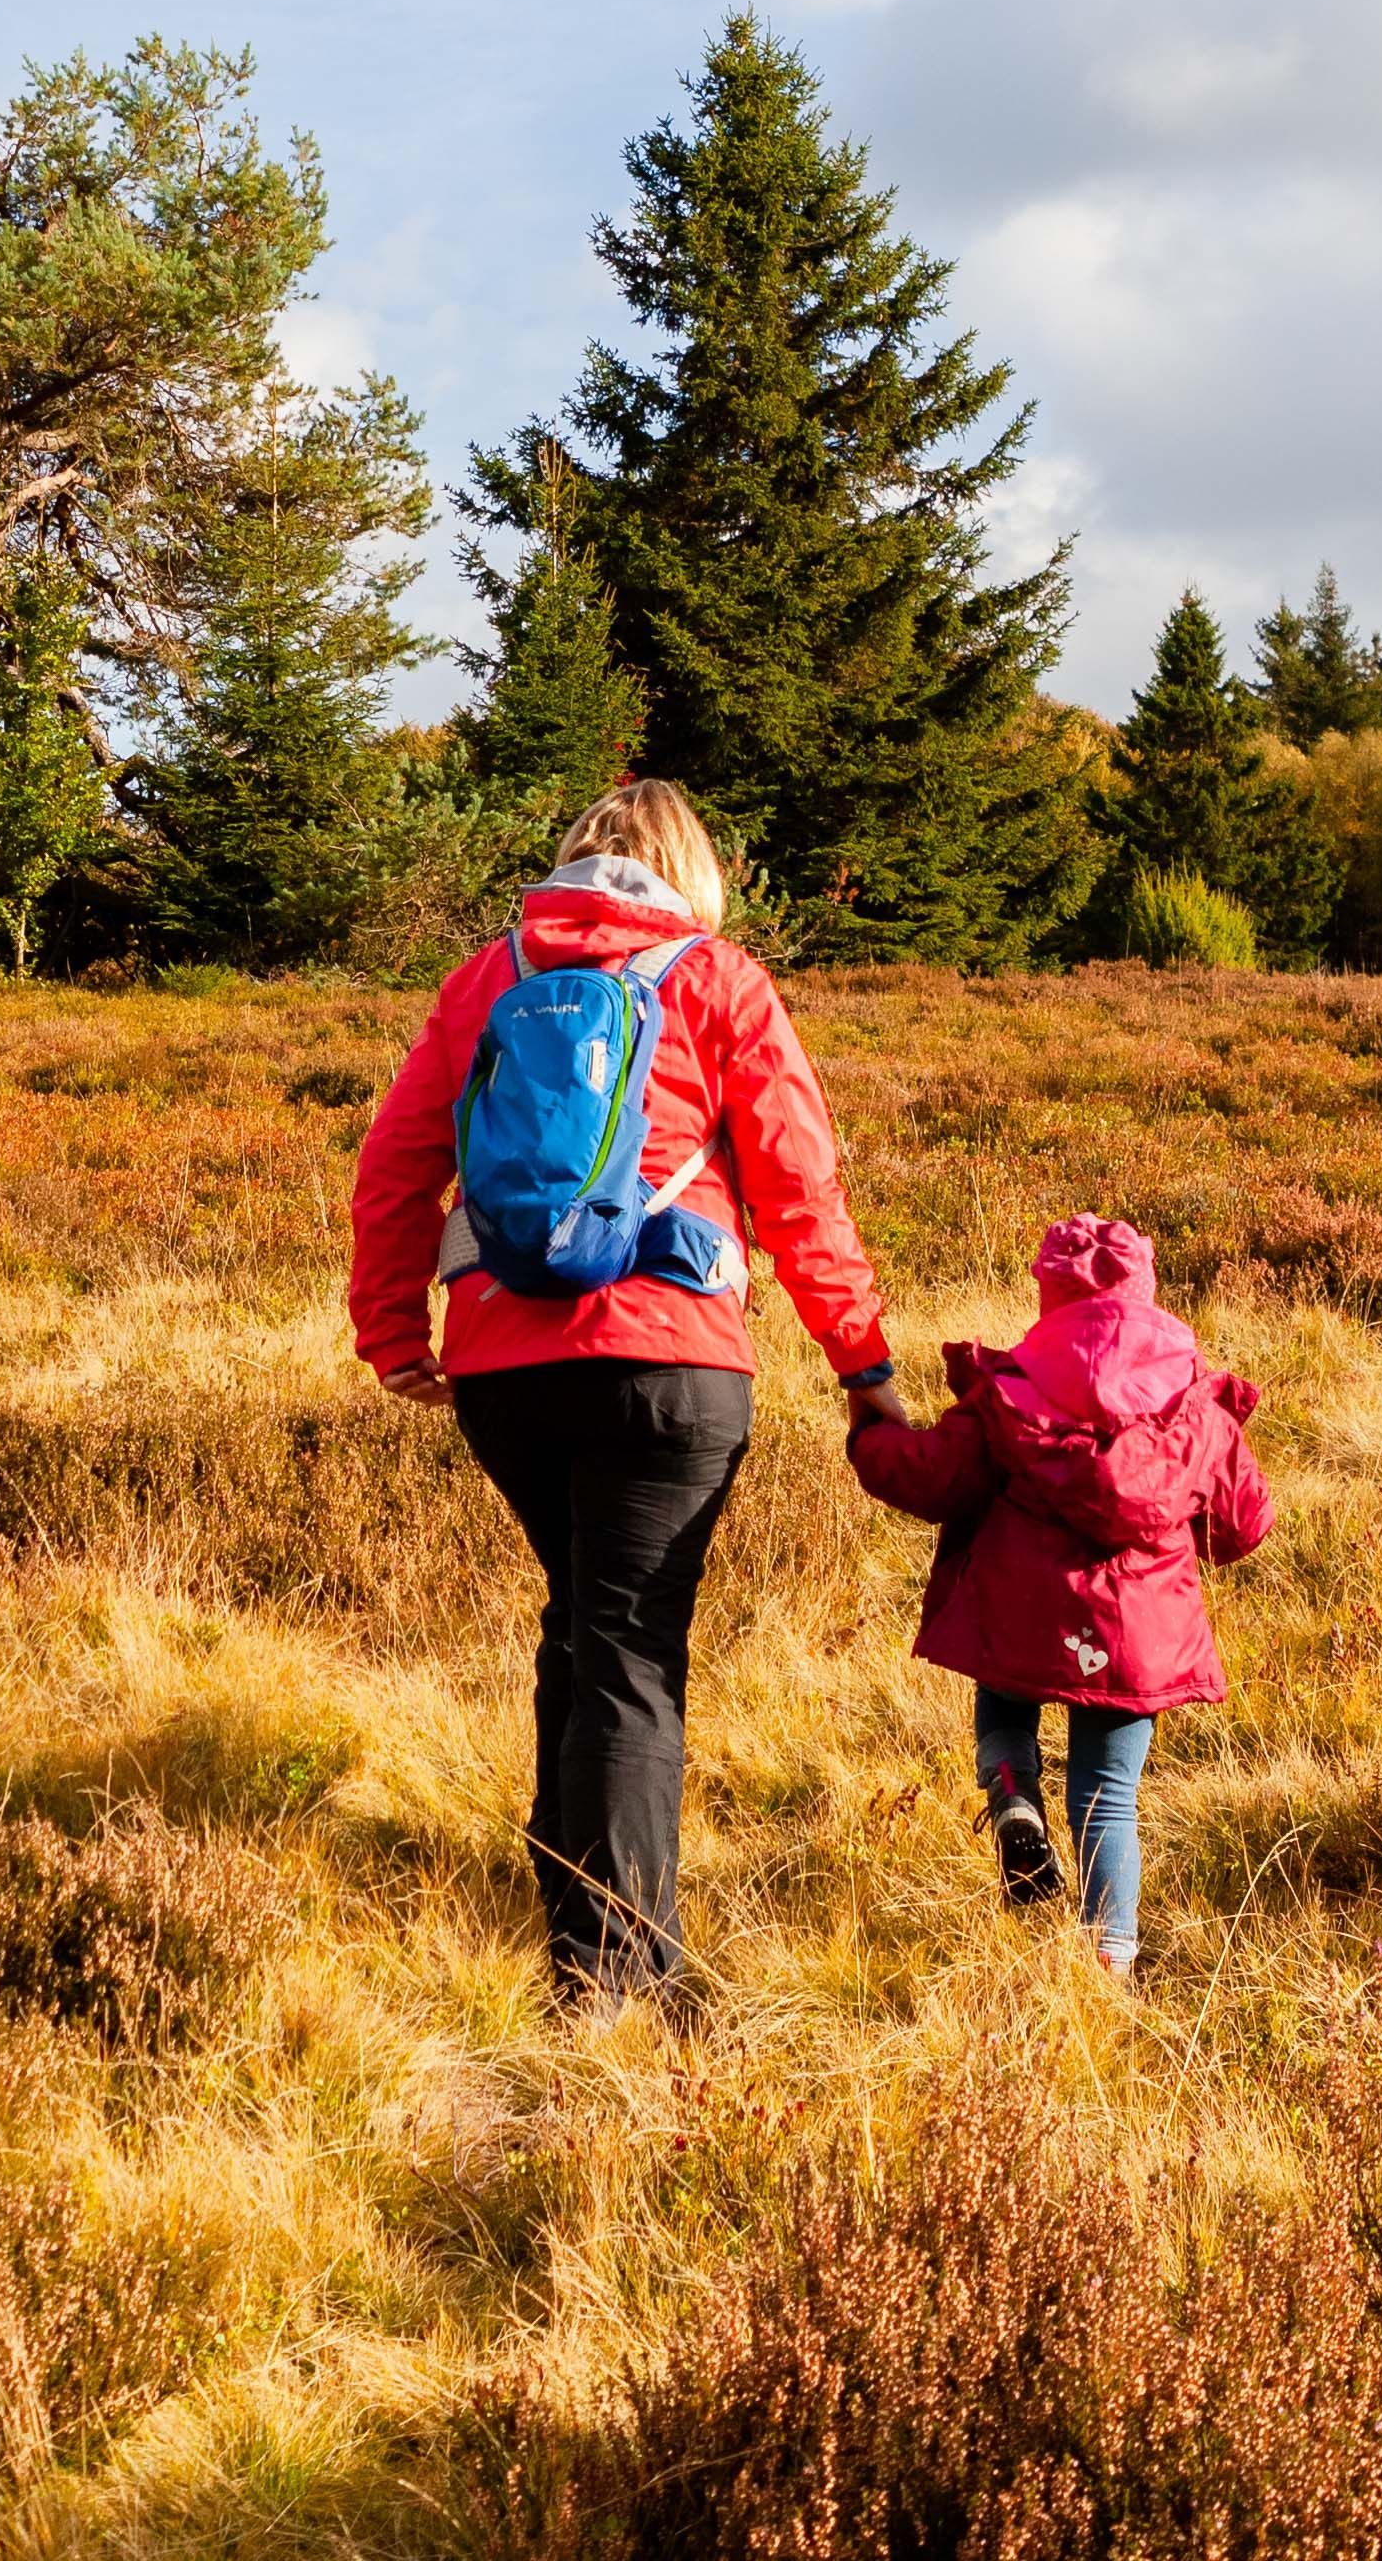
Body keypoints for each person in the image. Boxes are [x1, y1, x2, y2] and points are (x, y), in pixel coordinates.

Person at [346, 779, 890, 2015]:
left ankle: (573, 1924)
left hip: (505, 1366)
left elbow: (397, 1161)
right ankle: (620, 1984)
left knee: (583, 1627)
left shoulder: (488, 979)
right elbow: (802, 1186)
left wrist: (392, 1329)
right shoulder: (718, 979)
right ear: (687, 871)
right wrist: (866, 1369)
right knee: (632, 1652)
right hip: (675, 1365)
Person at [843, 1213, 1269, 1975]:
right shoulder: (1196, 1410)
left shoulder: (1008, 1397)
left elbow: (930, 1474)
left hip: (1022, 1616)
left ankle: (1010, 1791)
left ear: (1050, 1297)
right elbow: (1242, 1529)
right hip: (1139, 1636)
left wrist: (868, 1433)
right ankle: (1107, 1964)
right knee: (1107, 1796)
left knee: (1005, 1695)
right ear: (1146, 1291)